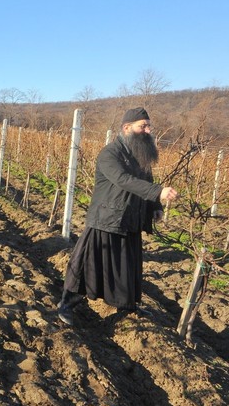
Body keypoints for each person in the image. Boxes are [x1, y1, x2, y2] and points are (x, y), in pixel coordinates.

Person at [57, 107, 178, 326]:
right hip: (106, 218)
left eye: (149, 126)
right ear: (126, 128)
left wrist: (154, 207)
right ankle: (67, 304)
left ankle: (128, 306)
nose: (148, 130)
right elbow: (123, 180)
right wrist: (158, 191)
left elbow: (146, 183)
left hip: (130, 219)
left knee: (127, 267)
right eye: (143, 126)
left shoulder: (140, 156)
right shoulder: (110, 153)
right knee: (87, 266)